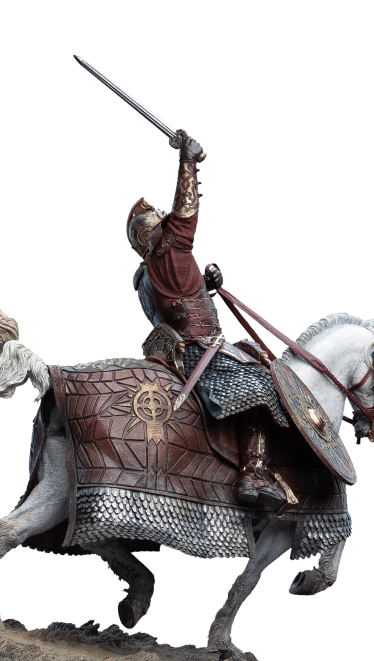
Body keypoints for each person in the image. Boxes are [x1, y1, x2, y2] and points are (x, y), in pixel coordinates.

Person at [128, 130, 289, 509]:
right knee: (261, 387)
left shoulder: (150, 273)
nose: (170, 225)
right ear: (157, 234)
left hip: (183, 350)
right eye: (164, 223)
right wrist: (187, 161)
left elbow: (179, 301)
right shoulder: (168, 251)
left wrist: (207, 285)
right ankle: (252, 474)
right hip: (199, 348)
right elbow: (185, 215)